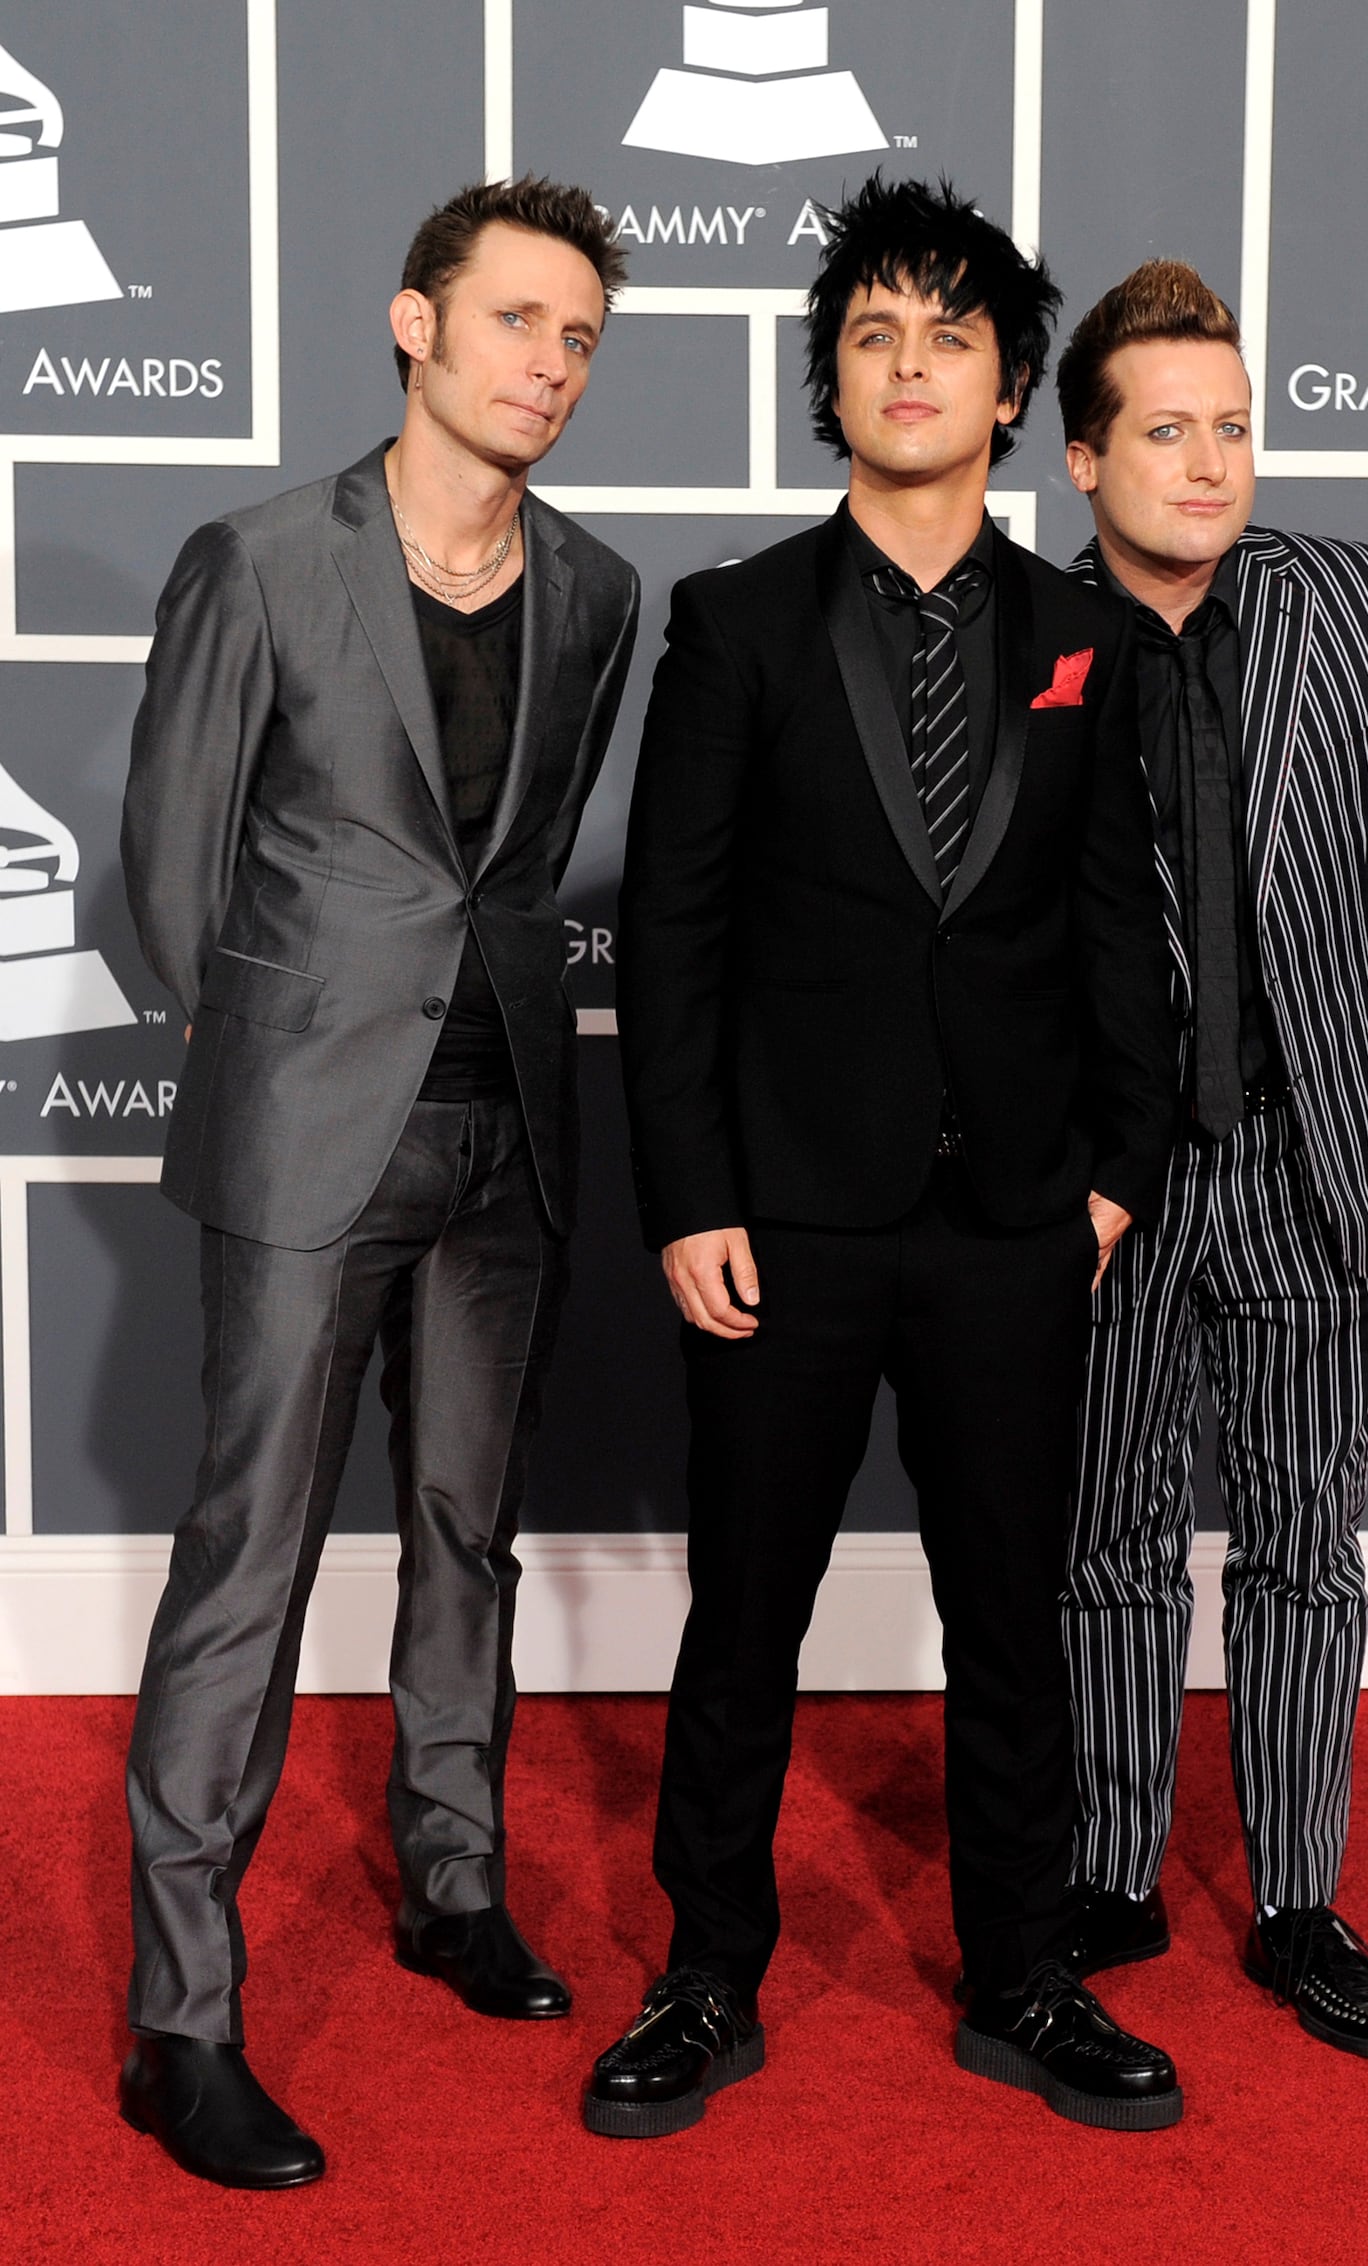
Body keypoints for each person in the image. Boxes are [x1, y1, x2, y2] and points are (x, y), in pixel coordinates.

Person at [588, 177, 1179, 2141]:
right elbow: (671, 933)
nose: (907, 364)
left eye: (947, 334)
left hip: (1016, 1220)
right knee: (741, 1609)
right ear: (827, 382)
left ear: (1010, 385)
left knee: (1011, 1606)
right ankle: (705, 1972)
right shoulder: (733, 620)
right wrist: (686, 1192)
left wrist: (1107, 1171)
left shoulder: (1088, 637)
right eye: (868, 334)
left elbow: (1118, 927)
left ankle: (1021, 1968)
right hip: (781, 1220)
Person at [118, 175, 639, 2189]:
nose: (549, 364)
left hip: (508, 1122)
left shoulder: (594, 590)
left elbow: (515, 863)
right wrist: (292, 1046)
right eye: (515, 320)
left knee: (465, 1529)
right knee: (246, 1558)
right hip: (305, 1127)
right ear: (413, 326)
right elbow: (169, 875)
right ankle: (181, 2019)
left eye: (579, 336)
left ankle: (449, 1881)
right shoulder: (253, 561)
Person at [1054, 260, 1368, 2063]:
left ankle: (1295, 1895)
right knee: (1099, 1534)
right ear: (1084, 456)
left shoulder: (1367, 606)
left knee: (1302, 1539)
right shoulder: (1027, 632)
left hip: (1321, 1149)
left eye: (1235, 429)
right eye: (1168, 433)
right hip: (1111, 1173)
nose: (1211, 464)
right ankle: (1108, 1868)